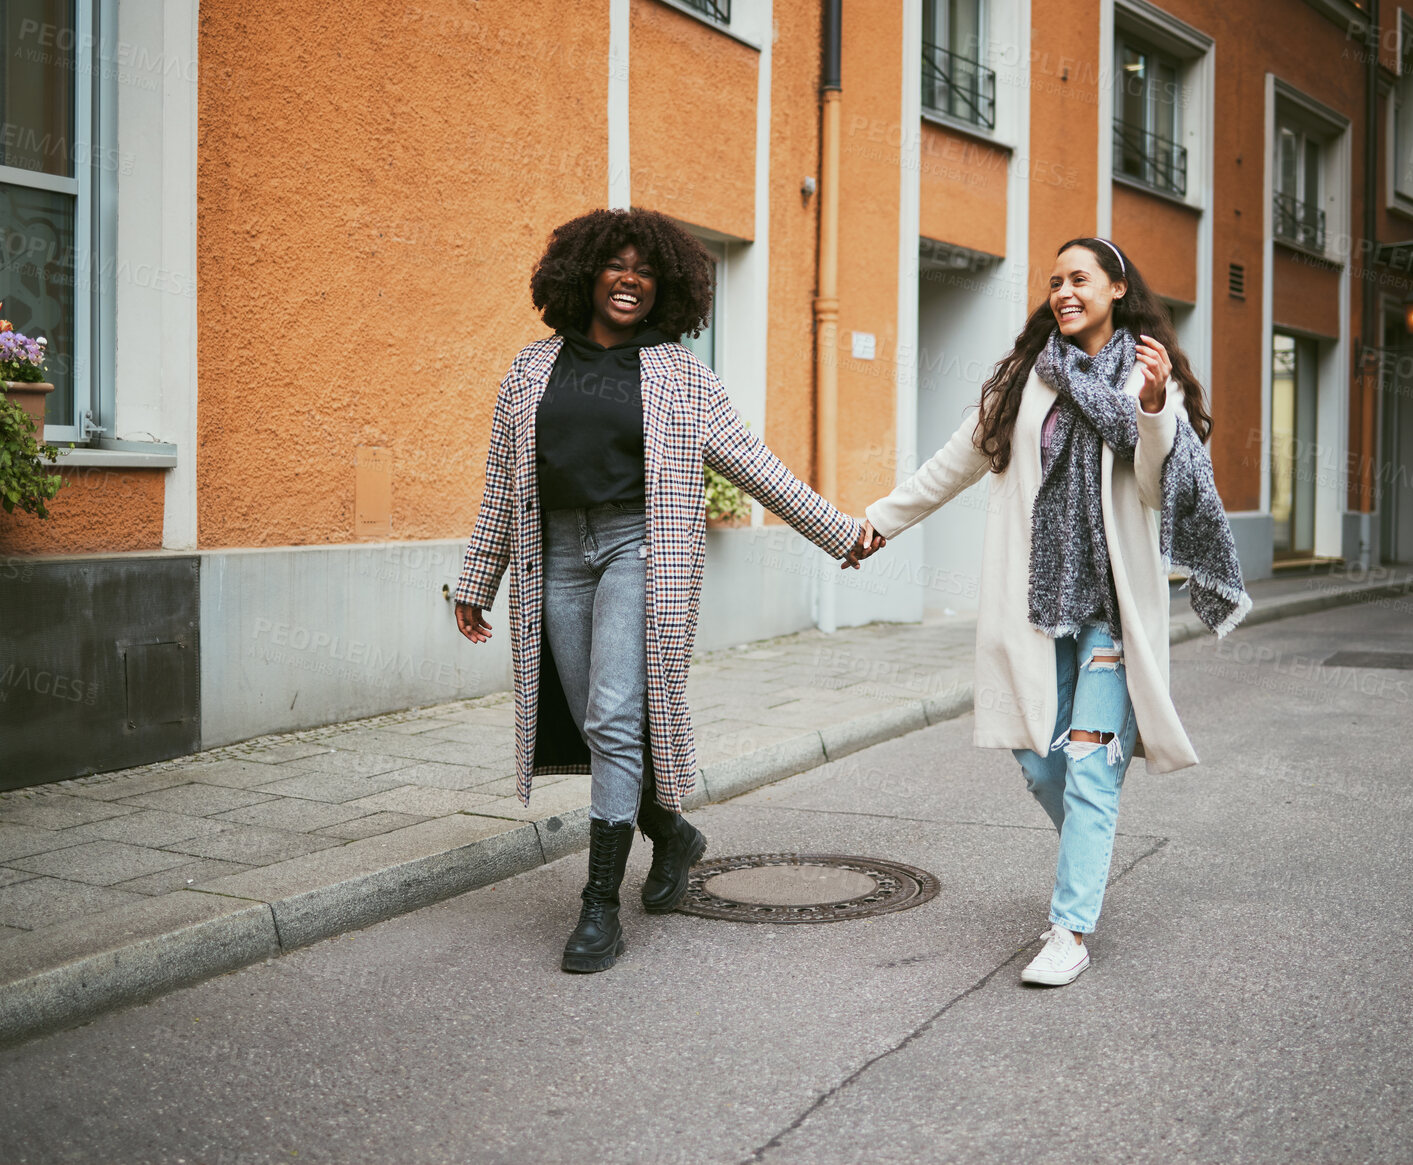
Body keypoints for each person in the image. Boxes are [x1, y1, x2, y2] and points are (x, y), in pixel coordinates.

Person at [455, 208, 868, 974]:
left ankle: (598, 905)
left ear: (665, 287)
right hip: (558, 553)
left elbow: (753, 463)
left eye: (646, 270)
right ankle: (672, 833)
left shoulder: (680, 374)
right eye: (617, 265)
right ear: (583, 274)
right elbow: (501, 482)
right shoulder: (530, 369)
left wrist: (839, 532)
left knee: (615, 715)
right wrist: (478, 577)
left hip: (639, 545)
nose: (631, 279)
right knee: (592, 721)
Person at [849, 237, 1240, 987]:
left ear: (1117, 287)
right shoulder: (1029, 379)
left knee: (1092, 764)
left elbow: (1163, 493)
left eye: (1080, 278)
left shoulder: (1148, 378)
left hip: (1112, 613)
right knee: (1038, 759)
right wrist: (877, 524)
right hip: (1036, 604)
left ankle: (1070, 927)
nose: (1063, 290)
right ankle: (1087, 854)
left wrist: (1155, 411)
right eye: (1055, 281)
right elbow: (953, 463)